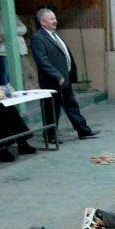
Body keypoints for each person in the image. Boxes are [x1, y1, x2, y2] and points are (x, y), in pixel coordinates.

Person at [30, 8, 98, 141]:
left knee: (72, 105)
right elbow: (42, 60)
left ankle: (83, 131)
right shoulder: (38, 38)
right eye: (51, 19)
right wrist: (56, 75)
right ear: (43, 22)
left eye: (55, 18)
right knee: (52, 109)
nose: (55, 21)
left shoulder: (55, 35)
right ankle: (50, 135)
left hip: (64, 78)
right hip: (52, 80)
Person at [0, 6, 29, 86]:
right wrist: (16, 30)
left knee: (20, 74)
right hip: (4, 50)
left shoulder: (13, 15)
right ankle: (7, 92)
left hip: (18, 49)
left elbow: (24, 29)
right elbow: (1, 31)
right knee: (6, 75)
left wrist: (9, 30)